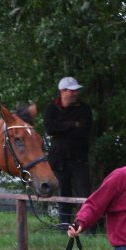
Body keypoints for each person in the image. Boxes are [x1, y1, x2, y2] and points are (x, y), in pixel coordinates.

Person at [43, 76, 93, 226]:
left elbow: (83, 131)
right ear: (63, 91)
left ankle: (88, 227)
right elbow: (50, 129)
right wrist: (72, 124)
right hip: (58, 160)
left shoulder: (84, 109)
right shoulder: (51, 109)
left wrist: (61, 128)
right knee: (63, 196)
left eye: (76, 91)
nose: (76, 93)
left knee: (85, 196)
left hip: (79, 159)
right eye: (72, 91)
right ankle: (64, 227)